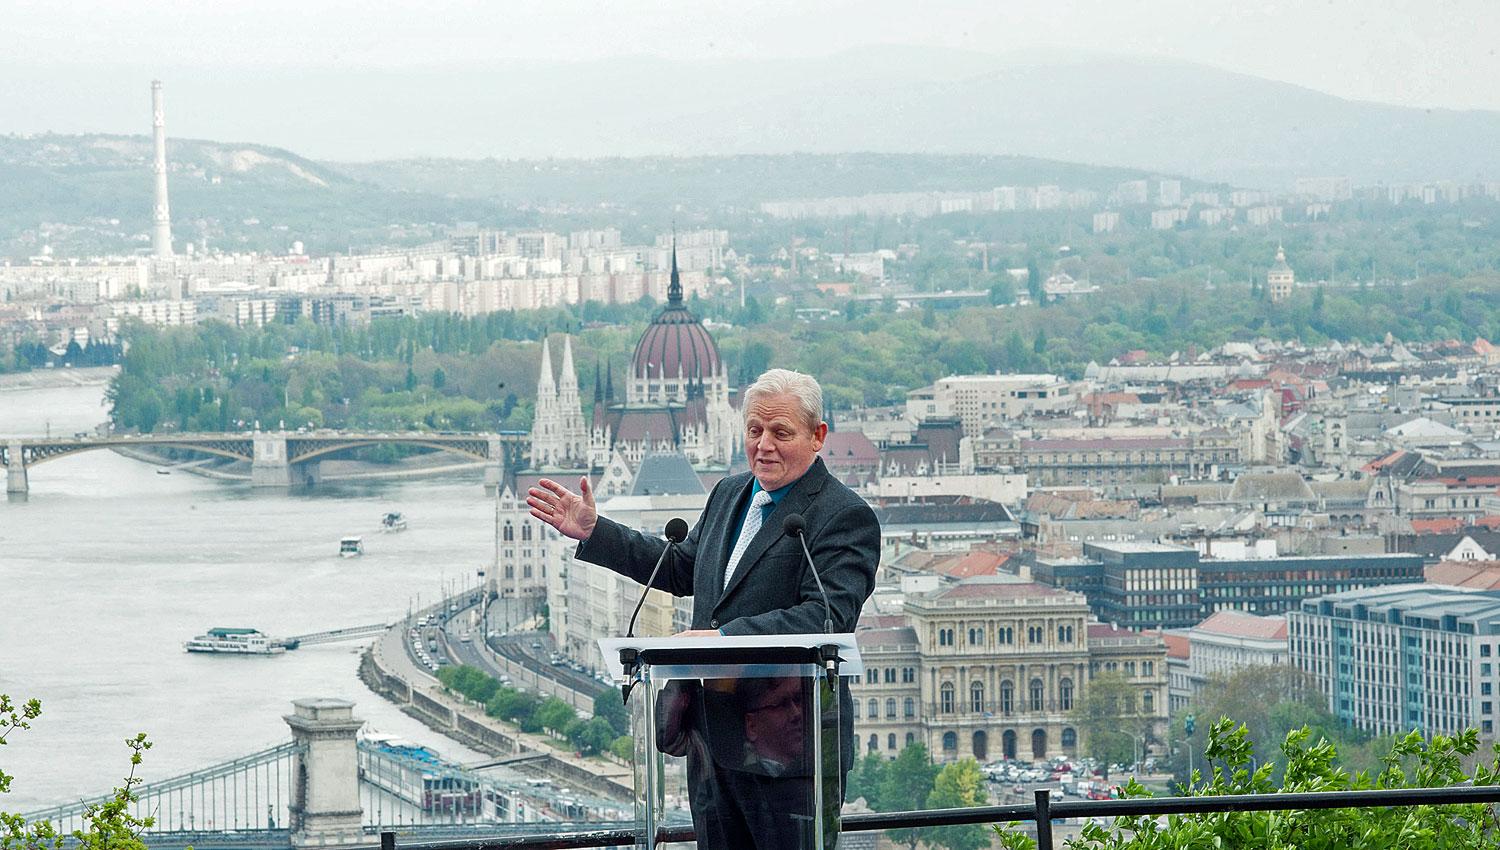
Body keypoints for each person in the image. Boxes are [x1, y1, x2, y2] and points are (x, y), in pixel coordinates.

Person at [528, 368, 880, 849]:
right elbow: (680, 569)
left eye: (781, 432)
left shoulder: (844, 516)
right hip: (712, 745)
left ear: (818, 436)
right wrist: (597, 531)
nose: (764, 445)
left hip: (789, 750)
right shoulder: (729, 494)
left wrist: (724, 641)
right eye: (755, 430)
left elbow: (826, 617)